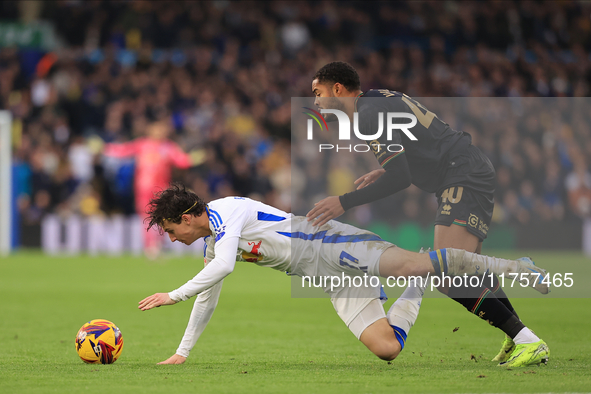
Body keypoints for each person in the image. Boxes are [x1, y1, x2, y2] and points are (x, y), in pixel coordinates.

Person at [138, 183, 549, 367]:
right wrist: (183, 351)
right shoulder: (213, 243)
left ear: (187, 216)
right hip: (328, 277)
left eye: (172, 231)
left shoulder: (226, 212)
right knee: (387, 349)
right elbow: (210, 292)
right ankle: (417, 286)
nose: (173, 240)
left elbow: (225, 266)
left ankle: (517, 268)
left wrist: (173, 295)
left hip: (329, 243)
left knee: (413, 262)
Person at [306, 61, 538, 363]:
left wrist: (344, 201)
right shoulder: (377, 98)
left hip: (461, 173)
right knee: (470, 270)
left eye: (318, 92)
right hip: (467, 167)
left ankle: (525, 336)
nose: (316, 101)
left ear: (337, 88)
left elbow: (400, 177)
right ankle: (517, 335)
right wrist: (386, 169)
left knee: (447, 273)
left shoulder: (367, 116)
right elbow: (417, 146)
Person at [102, 120, 204, 258]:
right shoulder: (142, 144)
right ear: (150, 130)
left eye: (162, 130)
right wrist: (104, 148)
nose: (160, 132)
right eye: (157, 129)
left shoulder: (168, 147)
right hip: (143, 188)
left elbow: (181, 160)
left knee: (164, 218)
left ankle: (159, 245)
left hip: (162, 189)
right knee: (147, 218)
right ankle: (150, 247)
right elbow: (123, 150)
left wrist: (192, 158)